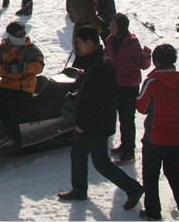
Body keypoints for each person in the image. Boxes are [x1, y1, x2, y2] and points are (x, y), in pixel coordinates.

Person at [58, 26, 145, 210]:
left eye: (79, 43)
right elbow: (89, 88)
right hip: (86, 121)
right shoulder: (92, 60)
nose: (77, 47)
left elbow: (100, 100)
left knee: (101, 163)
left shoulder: (103, 65)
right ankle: (79, 190)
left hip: (96, 124)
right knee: (78, 154)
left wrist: (84, 124)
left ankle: (133, 189)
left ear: (90, 42)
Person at [136, 44, 179, 221]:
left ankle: (153, 212)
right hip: (178, 138)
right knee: (176, 176)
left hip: (154, 138)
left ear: (156, 61)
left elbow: (141, 107)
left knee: (150, 176)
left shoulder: (152, 82)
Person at [104, 14, 151, 166]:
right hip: (114, 85)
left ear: (121, 27)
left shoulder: (132, 43)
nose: (110, 27)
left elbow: (143, 65)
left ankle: (129, 152)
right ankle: (124, 145)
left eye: (113, 25)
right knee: (121, 117)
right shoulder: (110, 40)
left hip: (129, 86)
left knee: (127, 119)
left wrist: (146, 56)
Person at [0, 21, 44, 141]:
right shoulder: (1, 50)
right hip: (5, 85)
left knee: (4, 107)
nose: (23, 37)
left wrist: (26, 67)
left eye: (24, 33)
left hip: (24, 88)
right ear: (11, 36)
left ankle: (14, 139)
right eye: (20, 35)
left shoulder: (31, 49)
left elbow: (39, 66)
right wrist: (6, 69)